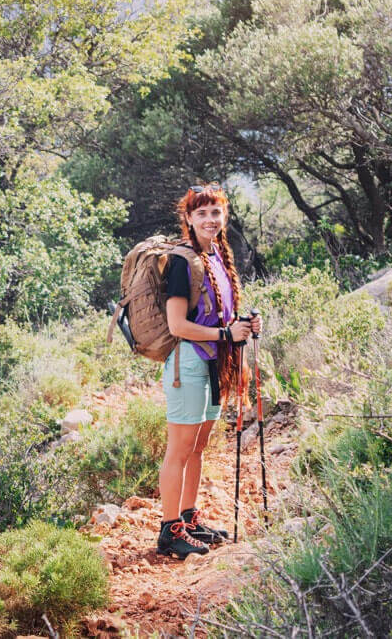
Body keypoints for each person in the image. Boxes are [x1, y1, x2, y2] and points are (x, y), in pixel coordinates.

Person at [155, 183, 261, 559]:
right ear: (188, 218)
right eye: (201, 213)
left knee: (197, 448)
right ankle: (170, 533)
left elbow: (220, 312)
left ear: (224, 217)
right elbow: (177, 325)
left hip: (215, 363)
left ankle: (188, 518)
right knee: (179, 449)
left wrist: (244, 325)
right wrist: (224, 333)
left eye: (215, 212)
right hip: (189, 363)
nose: (210, 220)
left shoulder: (217, 256)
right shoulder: (183, 262)